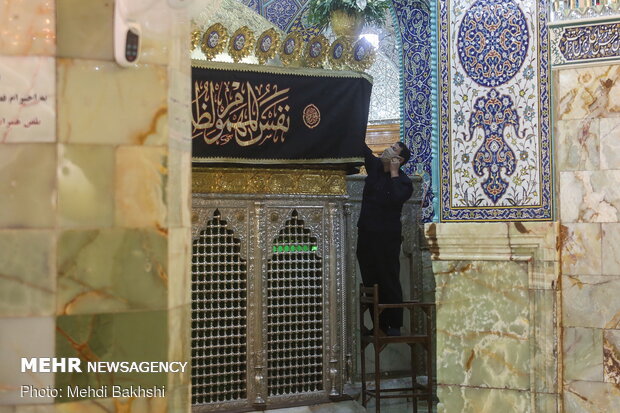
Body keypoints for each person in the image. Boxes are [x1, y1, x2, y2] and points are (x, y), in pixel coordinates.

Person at [356, 141, 413, 337]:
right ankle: (379, 325)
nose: (389, 148)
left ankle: (395, 325)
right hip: (366, 234)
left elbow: (397, 198)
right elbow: (362, 148)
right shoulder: (375, 168)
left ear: (400, 159)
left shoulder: (404, 182)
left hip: (386, 237)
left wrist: (395, 172)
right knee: (371, 280)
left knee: (388, 277)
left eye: (394, 149)